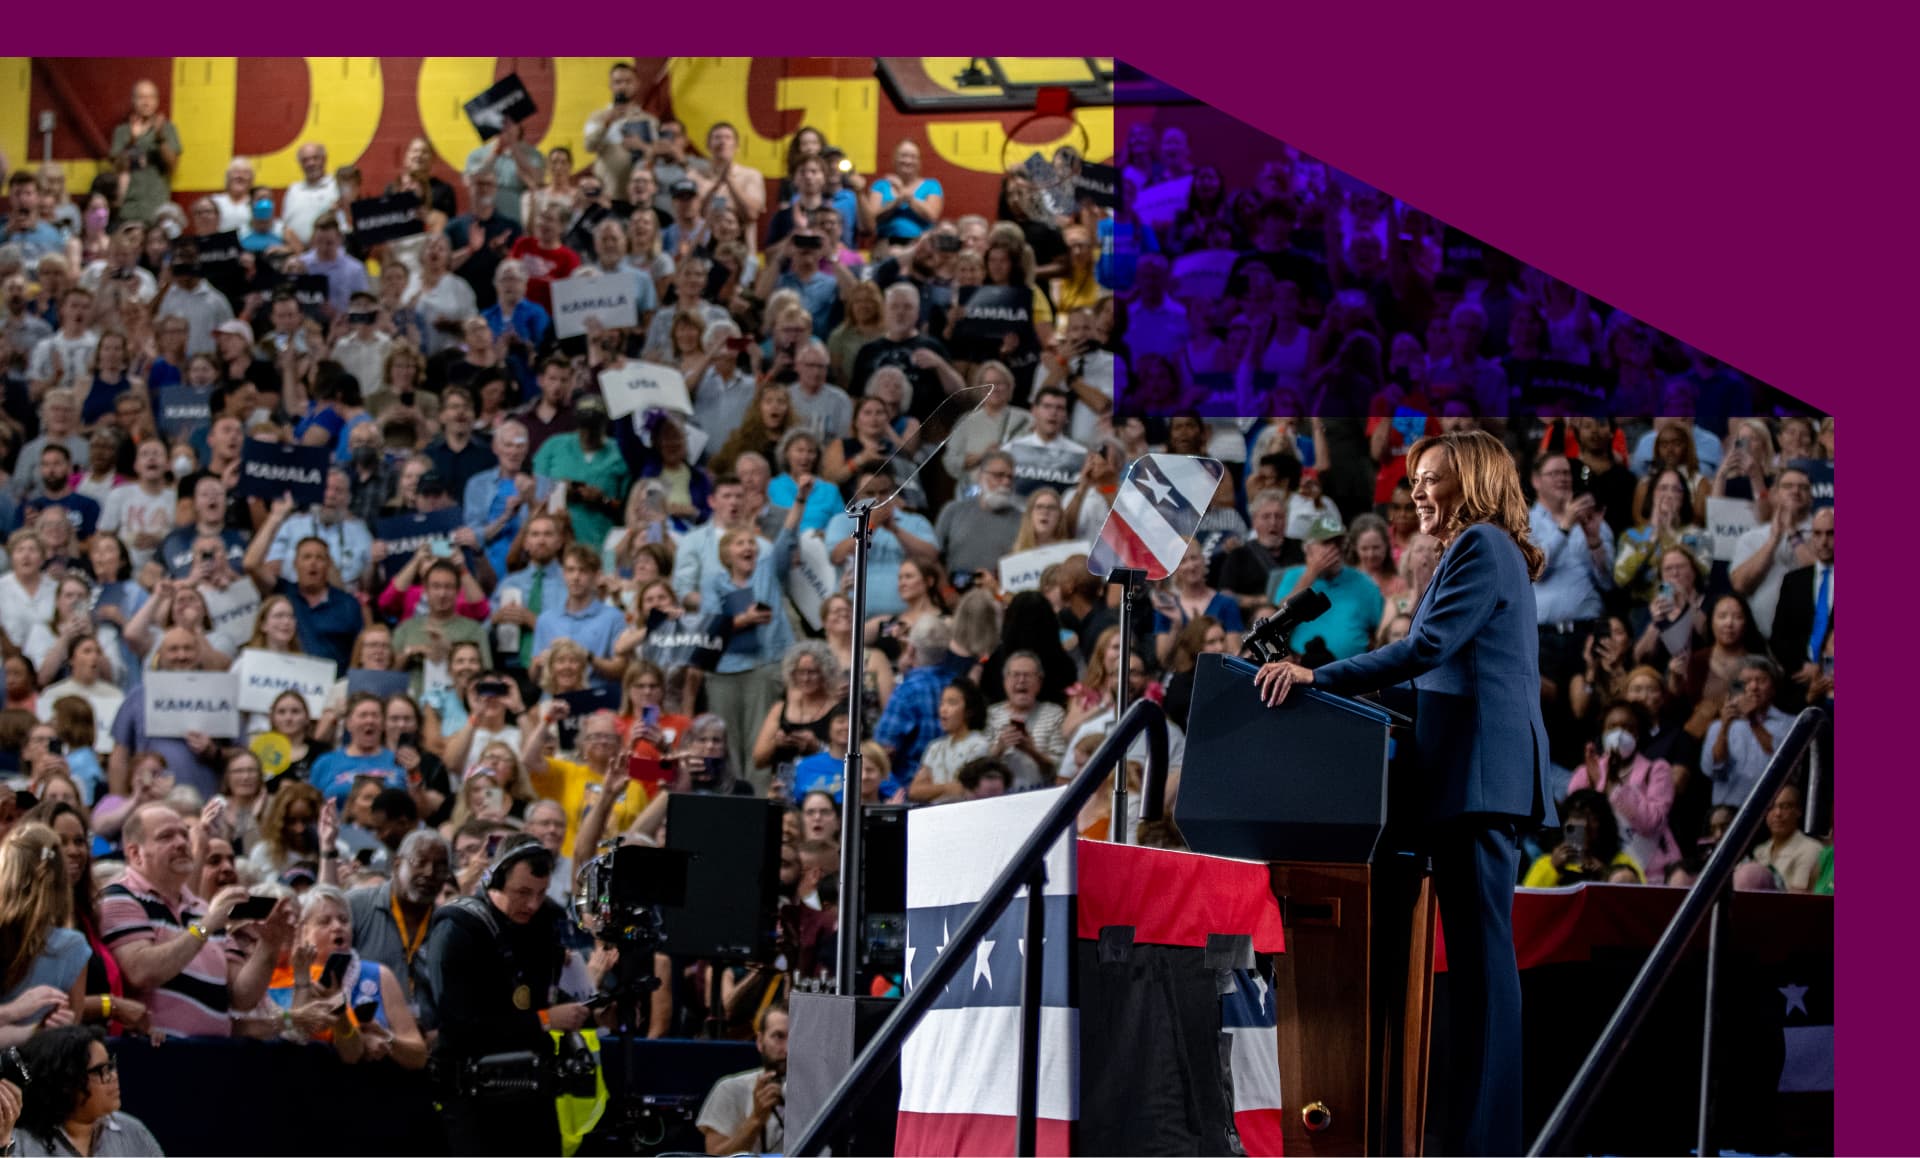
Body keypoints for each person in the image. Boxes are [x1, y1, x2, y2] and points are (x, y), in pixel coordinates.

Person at [1254, 428, 1553, 1157]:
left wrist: (1317, 678)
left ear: (1473, 480)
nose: (1415, 490)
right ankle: (1480, 1135)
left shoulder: (1482, 545)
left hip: (1479, 776)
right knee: (1479, 970)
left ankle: (1492, 1142)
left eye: (1432, 478)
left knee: (1485, 968)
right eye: (1413, 477)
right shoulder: (1473, 550)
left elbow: (1427, 651)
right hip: (1460, 774)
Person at [416, 839, 590, 1157]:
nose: (532, 904)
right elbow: (459, 1023)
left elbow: (545, 991)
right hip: (472, 1093)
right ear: (495, 879)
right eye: (522, 892)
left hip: (532, 1088)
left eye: (541, 892)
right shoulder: (457, 926)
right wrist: (546, 1019)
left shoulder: (547, 919)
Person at [99, 802, 294, 1038]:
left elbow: (241, 998)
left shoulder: (203, 909)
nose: (182, 843)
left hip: (211, 1058)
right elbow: (141, 972)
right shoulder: (119, 897)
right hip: (155, 1058)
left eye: (183, 834)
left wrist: (269, 947)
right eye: (166, 837)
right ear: (135, 853)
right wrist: (206, 925)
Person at [0, 1026, 165, 1156]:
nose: (113, 1076)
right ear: (67, 1082)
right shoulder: (19, 1142)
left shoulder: (133, 1131)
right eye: (101, 1070)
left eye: (111, 1066)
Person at [1701, 656, 1794, 809]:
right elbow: (1713, 770)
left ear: (1773, 687)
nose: (1753, 687)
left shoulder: (1790, 723)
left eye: (1761, 680)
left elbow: (1784, 764)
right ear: (1737, 687)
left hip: (1771, 813)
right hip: (1728, 816)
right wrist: (1724, 727)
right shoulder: (1718, 726)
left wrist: (1753, 720)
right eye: (1746, 681)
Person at [697, 1002, 789, 1155]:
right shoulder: (730, 1089)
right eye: (779, 1036)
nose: (788, 1048)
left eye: (797, 1037)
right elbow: (714, 1155)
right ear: (760, 1041)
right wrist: (756, 1119)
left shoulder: (824, 1092)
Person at [1749, 784, 1824, 893]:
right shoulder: (1760, 851)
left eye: (1785, 807)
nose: (1778, 813)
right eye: (1771, 807)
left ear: (1798, 811)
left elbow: (1798, 897)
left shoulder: (1810, 849)